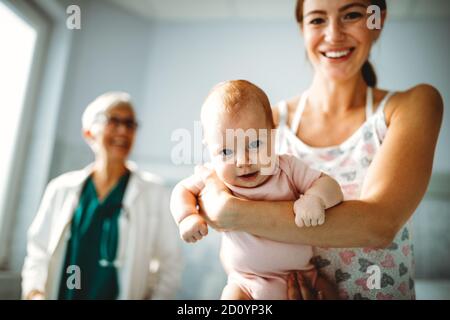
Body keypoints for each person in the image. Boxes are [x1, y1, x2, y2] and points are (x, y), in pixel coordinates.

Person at [195, 0, 443, 300]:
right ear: (302, 28)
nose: (334, 34)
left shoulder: (412, 106)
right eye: (316, 20)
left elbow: (379, 225)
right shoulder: (264, 125)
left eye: (351, 15)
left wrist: (234, 212)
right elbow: (211, 194)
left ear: (377, 22)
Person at [171, 80, 343, 299]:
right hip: (246, 283)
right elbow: (182, 190)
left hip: (304, 275)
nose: (243, 161)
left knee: (332, 294)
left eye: (254, 145)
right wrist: (186, 217)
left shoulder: (287, 167)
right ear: (209, 148)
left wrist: (315, 198)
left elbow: (330, 185)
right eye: (226, 151)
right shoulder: (213, 176)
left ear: (273, 133)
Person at [22, 92, 182, 299]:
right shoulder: (61, 188)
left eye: (130, 124)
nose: (123, 130)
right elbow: (38, 252)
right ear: (89, 133)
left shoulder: (154, 192)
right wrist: (35, 293)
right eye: (113, 121)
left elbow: (170, 264)